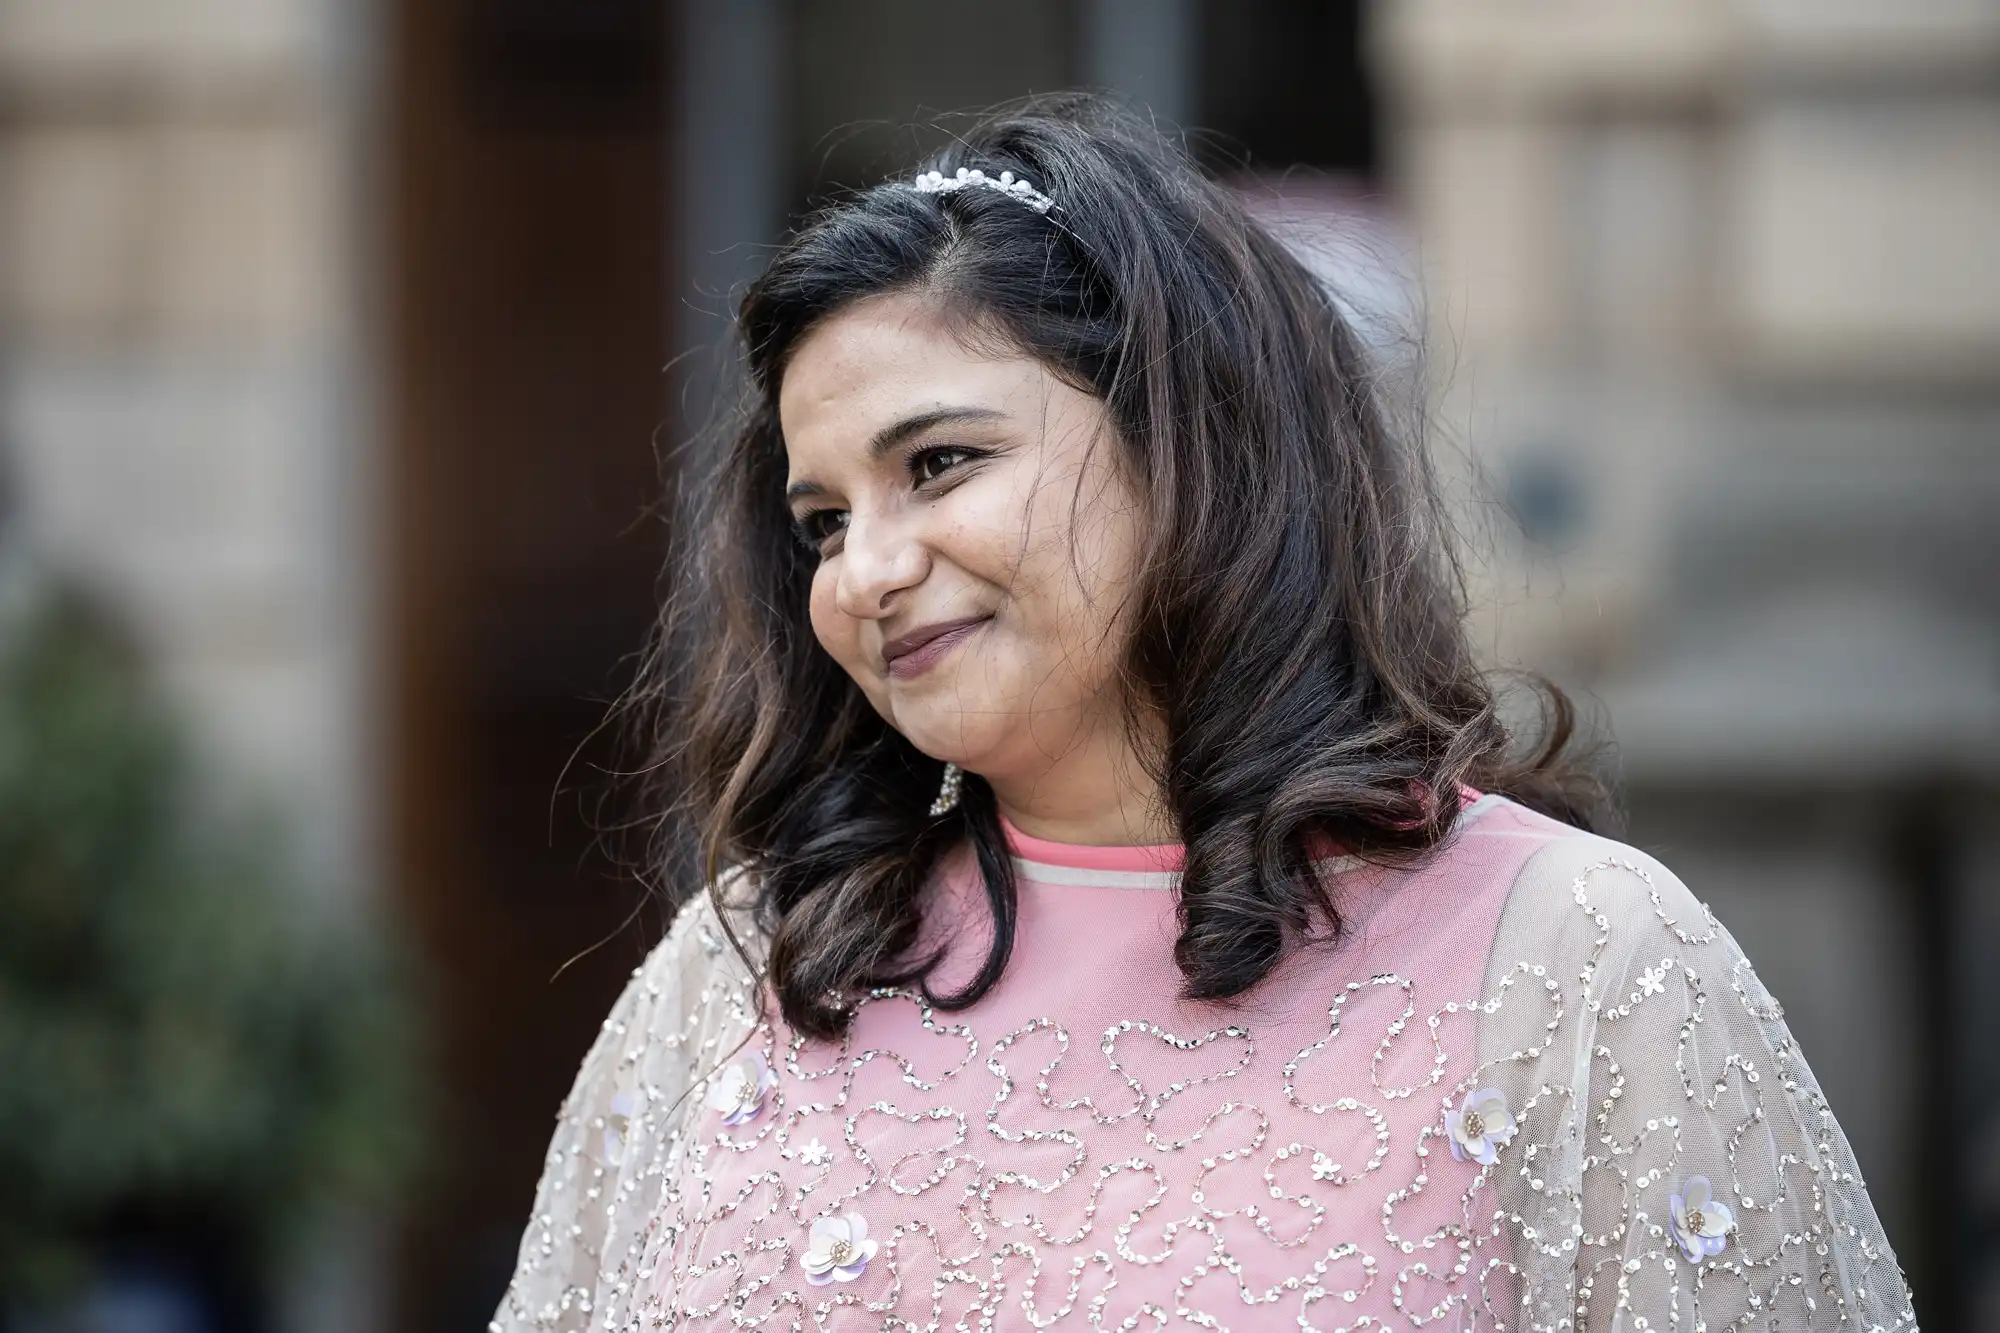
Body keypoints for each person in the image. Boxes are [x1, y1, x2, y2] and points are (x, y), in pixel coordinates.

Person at [490, 96, 1915, 1332]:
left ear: (1190, 447)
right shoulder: (751, 967)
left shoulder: (1582, 963)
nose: (865, 570)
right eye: (821, 520)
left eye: (937, 463)